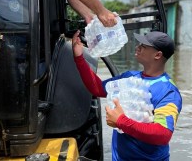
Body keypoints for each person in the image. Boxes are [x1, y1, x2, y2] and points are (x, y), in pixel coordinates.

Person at [72, 30, 183, 160]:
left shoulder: (168, 91)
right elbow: (98, 89)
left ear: (157, 55)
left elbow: (163, 134)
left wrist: (121, 121)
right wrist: (79, 57)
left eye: (144, 46)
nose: (138, 47)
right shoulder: (130, 76)